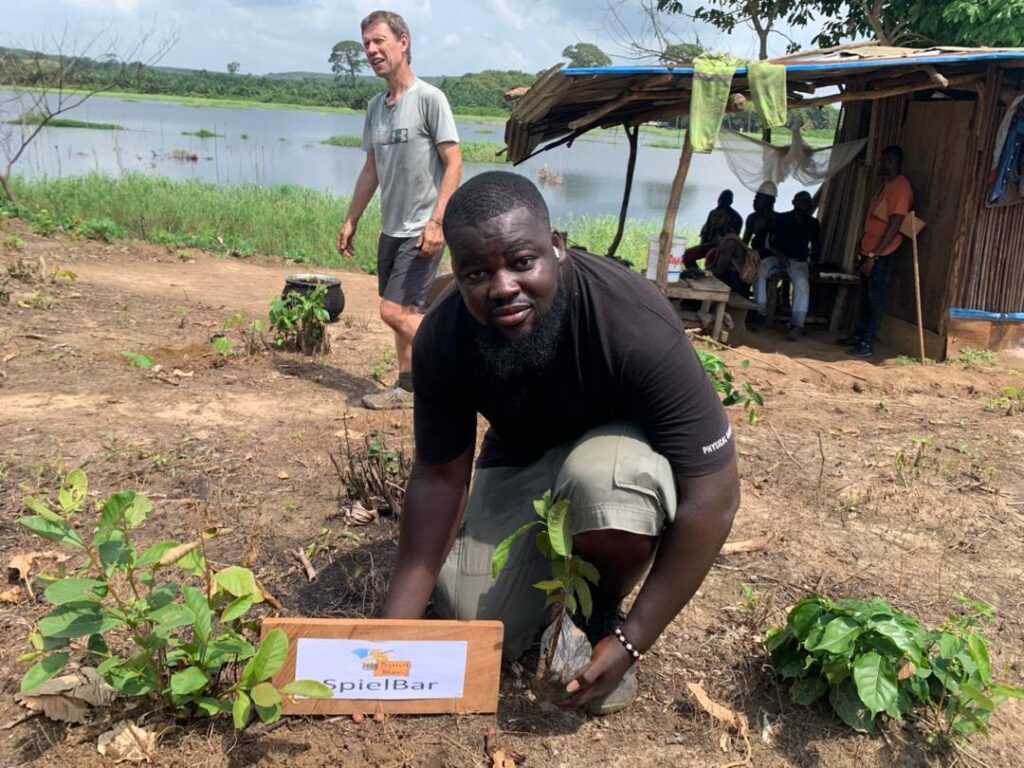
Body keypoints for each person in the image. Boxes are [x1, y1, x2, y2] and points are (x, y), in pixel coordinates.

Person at [382, 171, 740, 716]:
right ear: (457, 272)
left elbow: (715, 494)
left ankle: (599, 613)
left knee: (603, 487)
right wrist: (388, 641)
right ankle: (552, 583)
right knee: (475, 621)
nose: (503, 287)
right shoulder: (444, 338)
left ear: (556, 247)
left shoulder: (630, 318)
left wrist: (633, 641)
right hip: (521, 456)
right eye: (477, 273)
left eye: (522, 262)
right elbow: (439, 478)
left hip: (614, 454)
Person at [336, 10, 463, 409]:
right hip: (390, 228)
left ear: (403, 43)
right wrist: (352, 218)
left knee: (392, 311)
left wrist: (438, 222)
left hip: (422, 228)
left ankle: (465, 369)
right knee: (406, 310)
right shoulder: (376, 107)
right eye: (367, 44)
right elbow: (371, 168)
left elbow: (455, 163)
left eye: (379, 41)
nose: (372, 50)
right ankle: (407, 388)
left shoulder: (429, 98)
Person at [836, 146, 913, 358]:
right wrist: (861, 246)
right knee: (865, 298)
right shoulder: (886, 186)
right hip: (870, 249)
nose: (878, 164)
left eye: (881, 161)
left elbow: (895, 224)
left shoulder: (901, 188)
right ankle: (859, 336)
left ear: (890, 162)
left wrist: (874, 255)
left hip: (882, 254)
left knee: (875, 299)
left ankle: (867, 343)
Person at [752, 191, 821, 339]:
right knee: (760, 269)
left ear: (809, 205)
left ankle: (797, 324)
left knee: (802, 284)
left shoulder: (813, 223)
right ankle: (760, 312)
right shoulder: (781, 218)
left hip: (798, 260)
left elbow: (816, 247)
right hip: (778, 257)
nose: (803, 204)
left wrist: (814, 265)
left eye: (806, 201)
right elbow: (771, 241)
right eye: (800, 200)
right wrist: (779, 254)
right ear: (793, 202)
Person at [683, 190, 743, 269]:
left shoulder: (736, 218)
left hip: (723, 249)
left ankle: (708, 274)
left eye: (720, 217)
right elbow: (705, 232)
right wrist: (701, 245)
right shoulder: (713, 212)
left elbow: (732, 240)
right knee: (686, 255)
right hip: (709, 244)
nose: (715, 219)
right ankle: (695, 272)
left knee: (711, 256)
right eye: (720, 200)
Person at [743, 181, 777, 258]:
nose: (754, 201)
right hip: (756, 256)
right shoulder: (752, 218)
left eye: (758, 198)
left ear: (769, 201)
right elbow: (745, 243)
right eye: (755, 198)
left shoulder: (778, 219)